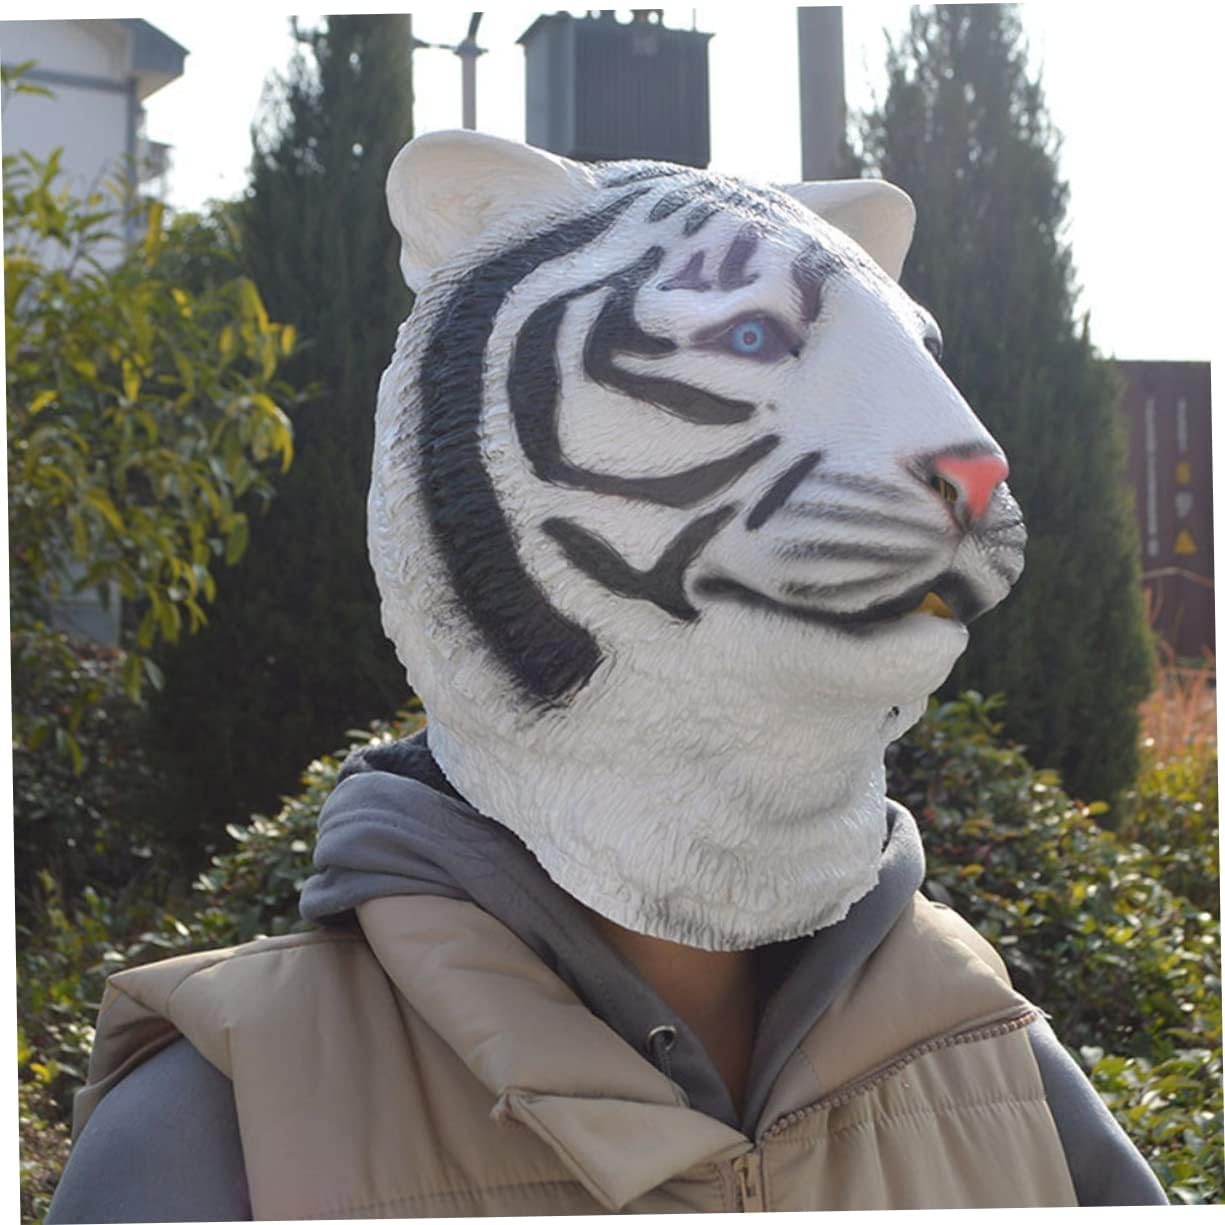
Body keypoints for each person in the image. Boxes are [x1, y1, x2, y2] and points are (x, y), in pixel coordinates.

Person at [48, 131, 1165, 1220]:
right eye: (746, 332)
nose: (970, 457)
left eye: (910, 356)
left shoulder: (994, 1056)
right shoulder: (221, 1119)